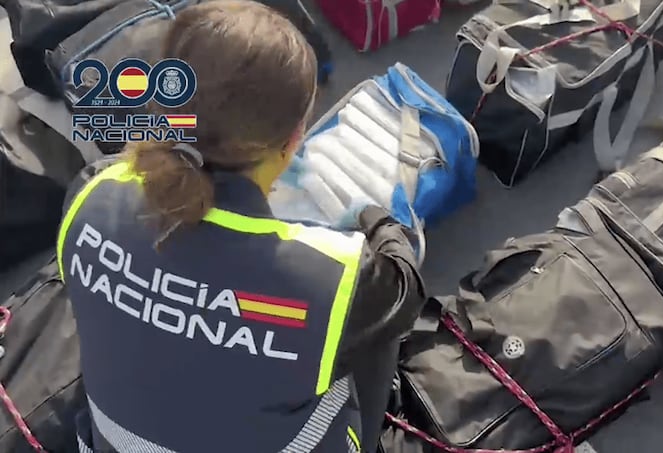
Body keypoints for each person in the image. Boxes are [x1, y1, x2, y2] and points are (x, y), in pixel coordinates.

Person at [57, 2, 426, 452]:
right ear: (294, 141)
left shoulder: (91, 193)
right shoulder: (334, 279)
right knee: (368, 334)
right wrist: (376, 219)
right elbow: (403, 287)